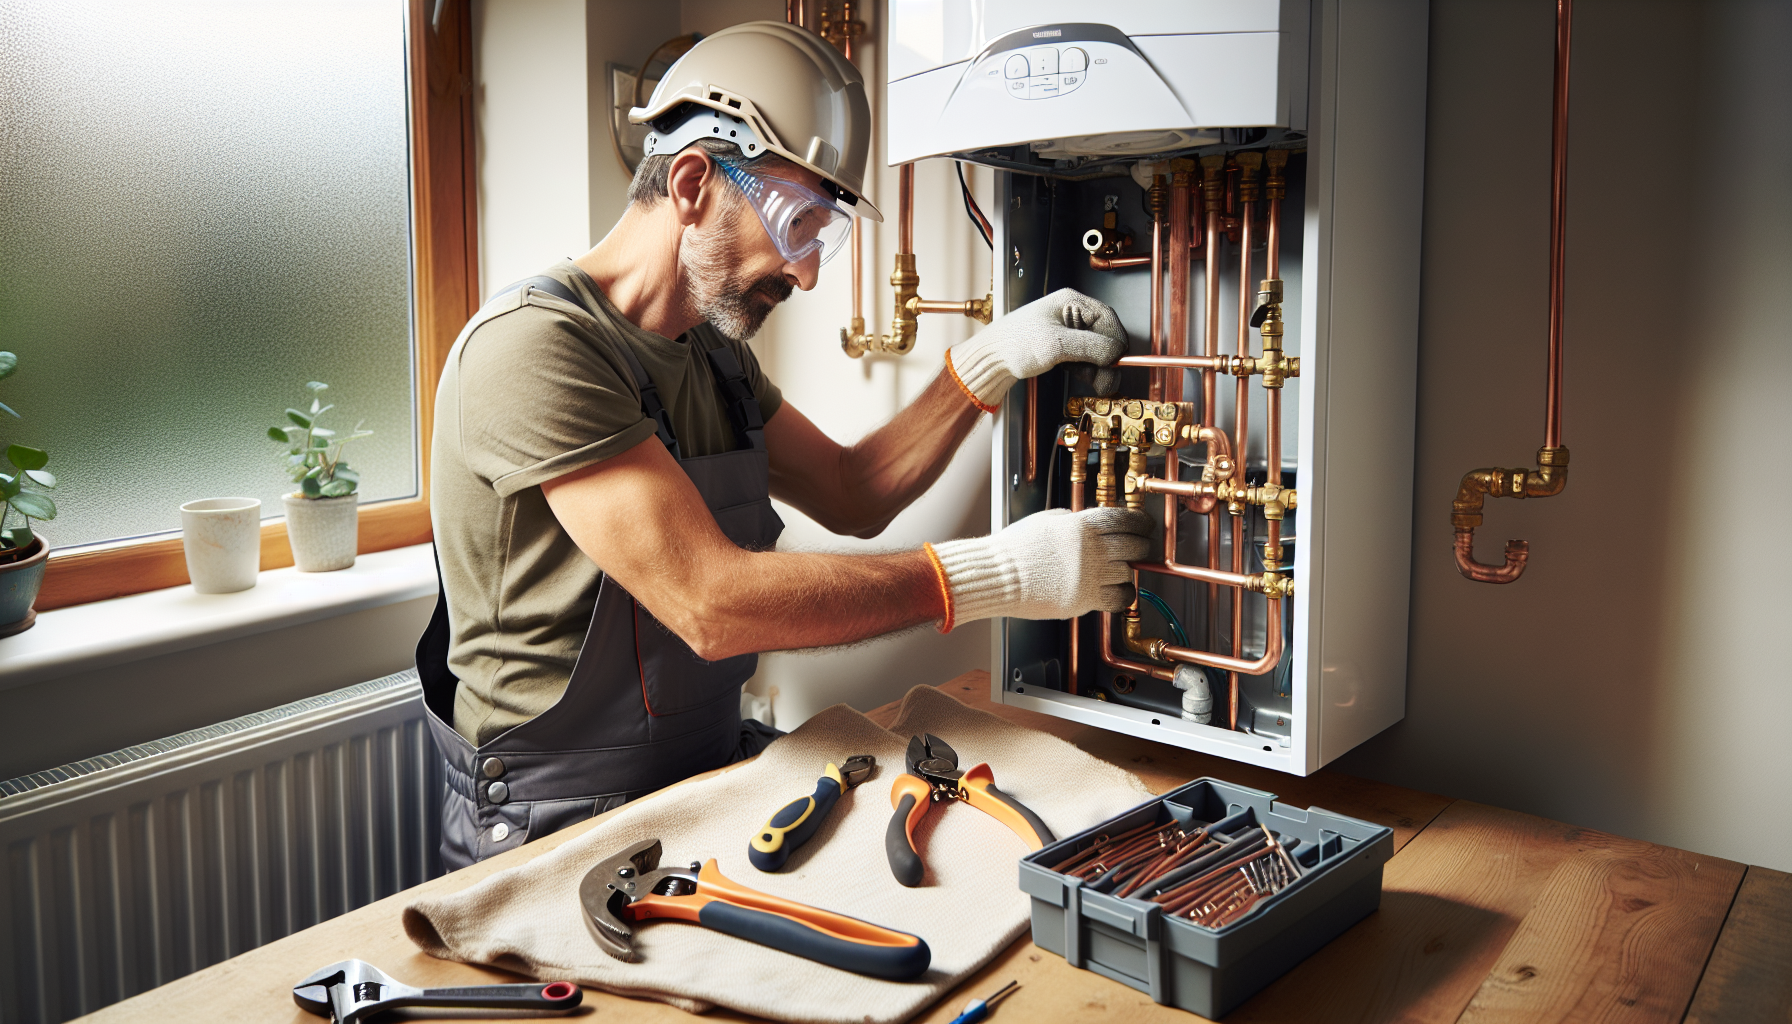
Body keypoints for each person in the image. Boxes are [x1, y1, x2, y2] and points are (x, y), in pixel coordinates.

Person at [416, 21, 1150, 869]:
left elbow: (853, 489)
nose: (805, 272)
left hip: (704, 775)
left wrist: (988, 362)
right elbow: (709, 603)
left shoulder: (713, 354)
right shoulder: (535, 348)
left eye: (821, 235)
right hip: (553, 814)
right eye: (795, 222)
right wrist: (1000, 574)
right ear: (692, 183)